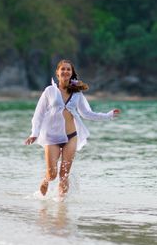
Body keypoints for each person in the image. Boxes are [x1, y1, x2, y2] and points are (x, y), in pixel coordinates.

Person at [25, 59, 120, 198]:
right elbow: (38, 114)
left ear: (72, 73)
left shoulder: (77, 93)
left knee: (64, 175)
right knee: (52, 175)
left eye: (68, 69)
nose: (65, 71)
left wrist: (108, 115)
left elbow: (87, 113)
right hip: (51, 137)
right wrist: (34, 133)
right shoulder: (50, 91)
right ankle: (44, 185)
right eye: (62, 69)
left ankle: (61, 206)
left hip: (71, 136)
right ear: (57, 73)